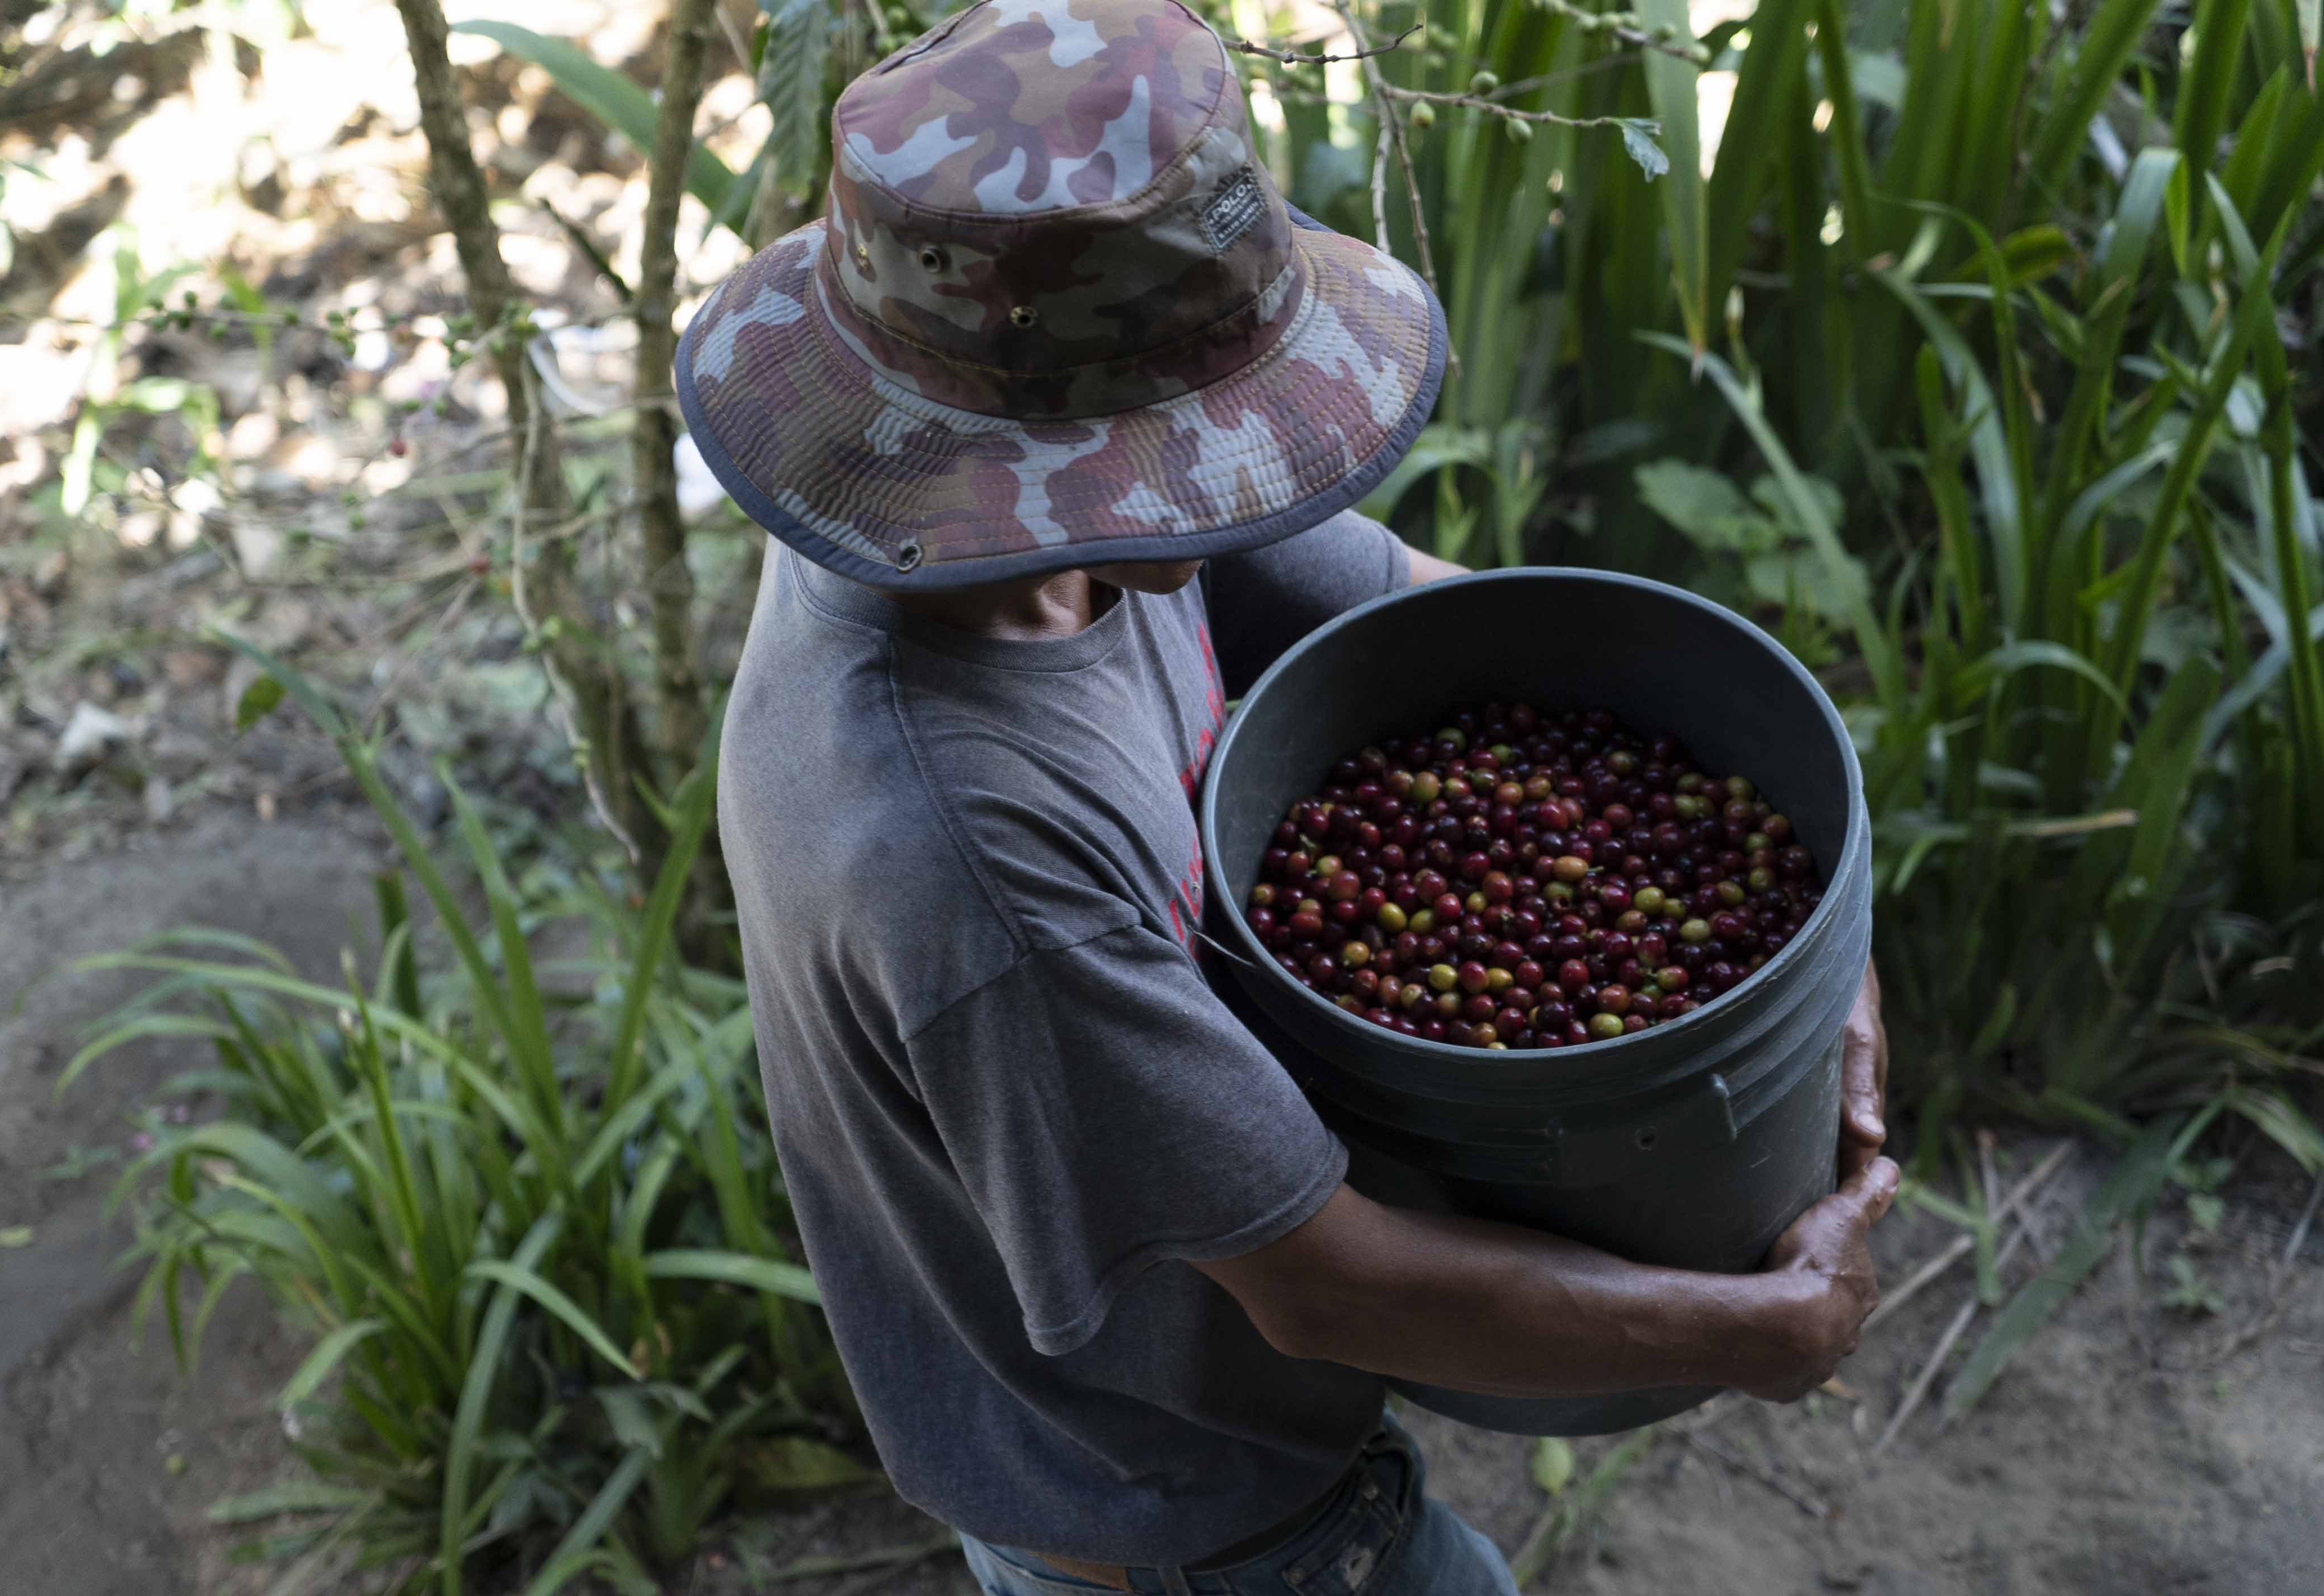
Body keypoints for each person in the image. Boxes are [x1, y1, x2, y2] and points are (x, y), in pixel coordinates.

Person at [675, 2, 1900, 1590]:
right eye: (1184, 447)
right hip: (1187, 1518)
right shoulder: (963, 846)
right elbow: (1327, 1287)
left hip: (1223, 1431)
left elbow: (1449, 627)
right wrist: (1765, 1328)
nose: (1230, 479)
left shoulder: (1017, 496)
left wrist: (1816, 948)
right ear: (1023, 448)